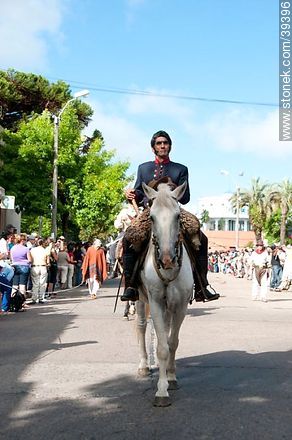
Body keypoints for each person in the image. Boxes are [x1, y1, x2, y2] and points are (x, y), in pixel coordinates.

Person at [120, 130, 220, 303]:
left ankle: (202, 285)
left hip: (175, 211)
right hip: (150, 211)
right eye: (158, 143)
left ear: (170, 146)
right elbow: (138, 192)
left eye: (165, 143)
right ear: (153, 148)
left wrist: (174, 192)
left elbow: (186, 198)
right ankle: (131, 286)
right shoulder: (143, 168)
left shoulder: (180, 169)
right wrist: (131, 195)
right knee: (129, 238)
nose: (162, 146)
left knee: (201, 238)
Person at [10, 233, 32, 307]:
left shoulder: (12, 248)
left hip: (15, 266)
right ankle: (22, 302)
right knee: (22, 285)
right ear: (23, 240)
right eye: (25, 240)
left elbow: (12, 259)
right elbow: (29, 260)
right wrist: (26, 261)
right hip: (24, 267)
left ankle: (13, 301)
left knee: (15, 285)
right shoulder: (26, 249)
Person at [30, 238, 50, 303]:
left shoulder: (32, 250)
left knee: (35, 283)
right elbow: (48, 261)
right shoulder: (46, 251)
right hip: (43, 267)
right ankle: (41, 297)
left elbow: (31, 259)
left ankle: (34, 298)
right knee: (42, 283)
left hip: (35, 266)